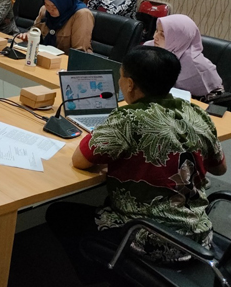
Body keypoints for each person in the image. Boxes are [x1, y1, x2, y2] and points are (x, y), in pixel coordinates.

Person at [47, 46, 225, 282]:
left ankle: (105, 276)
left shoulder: (128, 119)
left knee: (59, 213)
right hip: (199, 236)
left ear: (129, 84)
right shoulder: (198, 114)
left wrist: (111, 126)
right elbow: (219, 168)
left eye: (121, 77)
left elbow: (80, 161)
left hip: (151, 236)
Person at [146, 15, 225, 101]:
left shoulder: (197, 65)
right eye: (156, 30)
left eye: (163, 35)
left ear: (179, 39)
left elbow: (216, 97)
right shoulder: (148, 48)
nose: (155, 37)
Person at [27, 0, 94, 53]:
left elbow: (79, 52)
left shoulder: (82, 15)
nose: (50, 10)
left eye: (54, 7)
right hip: (44, 56)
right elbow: (35, 31)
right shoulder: (45, 10)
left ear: (64, 3)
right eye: (47, 5)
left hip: (69, 61)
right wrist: (28, 36)